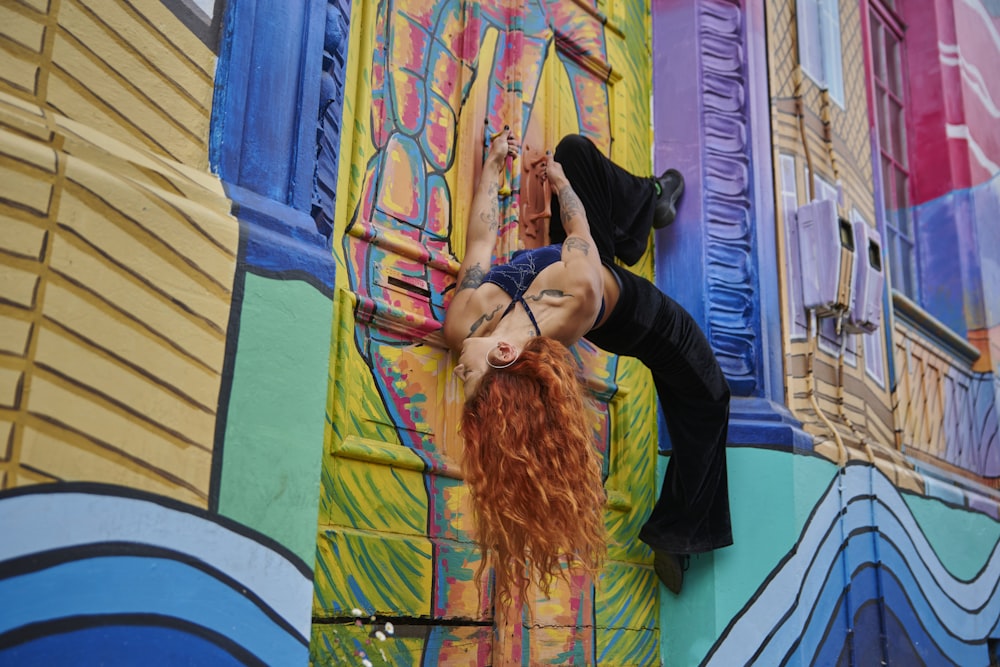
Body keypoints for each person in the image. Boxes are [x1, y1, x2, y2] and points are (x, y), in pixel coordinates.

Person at [443, 129, 732, 609]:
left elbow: (479, 243)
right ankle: (678, 533)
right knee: (710, 396)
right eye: (470, 378)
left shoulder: (465, 325)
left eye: (463, 380)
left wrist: (493, 167)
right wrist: (558, 184)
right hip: (637, 317)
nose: (459, 373)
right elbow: (579, 232)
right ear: (502, 356)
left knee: (576, 150)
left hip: (574, 265)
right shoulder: (576, 295)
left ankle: (651, 202)